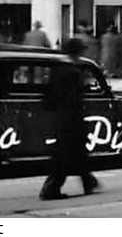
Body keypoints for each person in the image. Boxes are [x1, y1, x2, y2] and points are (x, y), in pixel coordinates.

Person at [39, 39, 98, 200]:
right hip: (72, 118)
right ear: (77, 52)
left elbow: (48, 99)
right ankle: (51, 189)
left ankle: (88, 181)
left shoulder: (56, 69)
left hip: (60, 117)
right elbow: (75, 99)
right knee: (66, 154)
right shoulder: (73, 72)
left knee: (75, 152)